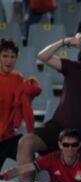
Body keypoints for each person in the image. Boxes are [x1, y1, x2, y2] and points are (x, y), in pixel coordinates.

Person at [17, 33, 81, 182]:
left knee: (79, 181)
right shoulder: (72, 67)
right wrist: (64, 42)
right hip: (58, 128)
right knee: (26, 142)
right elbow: (42, 56)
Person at [0, 37, 38, 169]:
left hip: (9, 136)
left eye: (12, 56)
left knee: (31, 160)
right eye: (5, 56)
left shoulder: (19, 78)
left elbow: (22, 105)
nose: (9, 60)